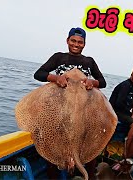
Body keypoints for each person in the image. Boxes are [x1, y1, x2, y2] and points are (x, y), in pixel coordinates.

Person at [34, 27, 106, 180]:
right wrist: (55, 78)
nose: (76, 44)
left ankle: (89, 176)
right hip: (58, 111)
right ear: (67, 41)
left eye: (80, 42)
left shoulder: (89, 61)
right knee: (52, 150)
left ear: (84, 44)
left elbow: (103, 82)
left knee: (90, 150)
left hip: (83, 112)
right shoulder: (59, 57)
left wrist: (92, 82)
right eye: (73, 41)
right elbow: (38, 74)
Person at [109, 69, 133, 150]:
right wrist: (128, 114)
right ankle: (127, 148)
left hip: (122, 110)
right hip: (115, 110)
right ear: (131, 75)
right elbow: (118, 103)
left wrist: (131, 114)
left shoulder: (131, 86)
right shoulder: (125, 85)